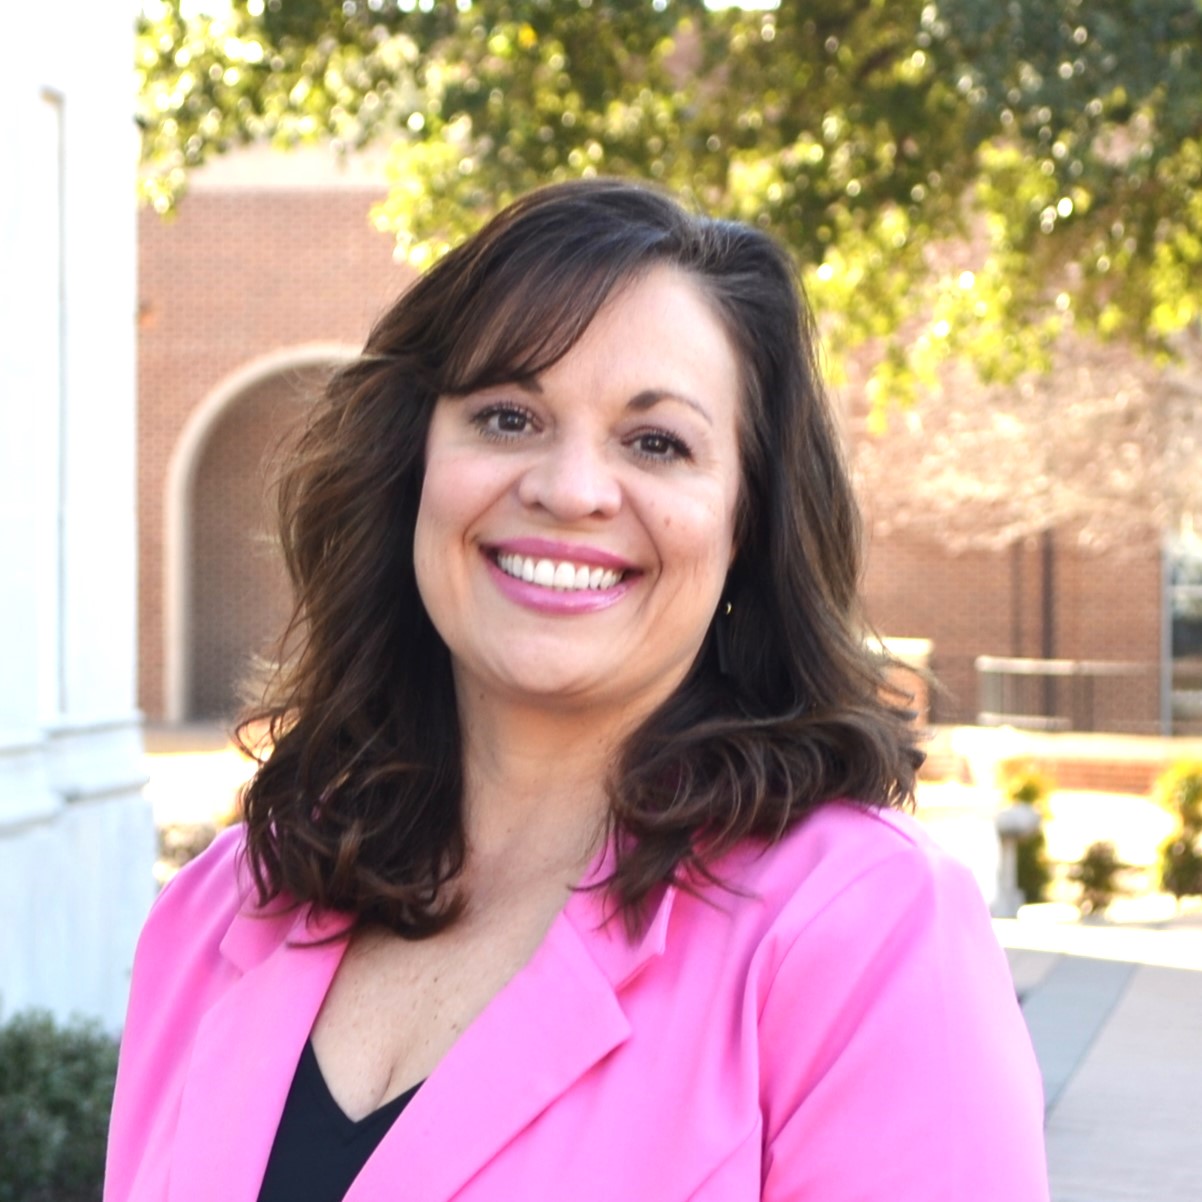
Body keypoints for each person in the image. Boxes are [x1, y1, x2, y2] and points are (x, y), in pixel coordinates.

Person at [105, 178, 1049, 1201]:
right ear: (412, 465)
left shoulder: (858, 933)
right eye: (507, 416)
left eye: (656, 442)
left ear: (746, 525)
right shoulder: (222, 907)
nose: (569, 488)